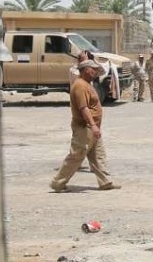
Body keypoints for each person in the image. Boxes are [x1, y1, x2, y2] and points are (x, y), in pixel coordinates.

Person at [49, 60, 121, 192]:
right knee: (76, 155)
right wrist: (93, 125)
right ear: (86, 70)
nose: (95, 71)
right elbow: (84, 108)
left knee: (98, 155)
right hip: (85, 127)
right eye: (93, 69)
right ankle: (58, 182)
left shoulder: (87, 84)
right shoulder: (80, 86)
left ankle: (105, 182)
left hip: (93, 128)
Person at [69, 49, 109, 174]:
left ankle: (105, 178)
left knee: (96, 150)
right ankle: (60, 180)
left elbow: (101, 71)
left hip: (92, 123)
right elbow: (84, 108)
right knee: (79, 148)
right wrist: (84, 61)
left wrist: (91, 61)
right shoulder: (76, 75)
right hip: (84, 121)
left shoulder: (88, 75)